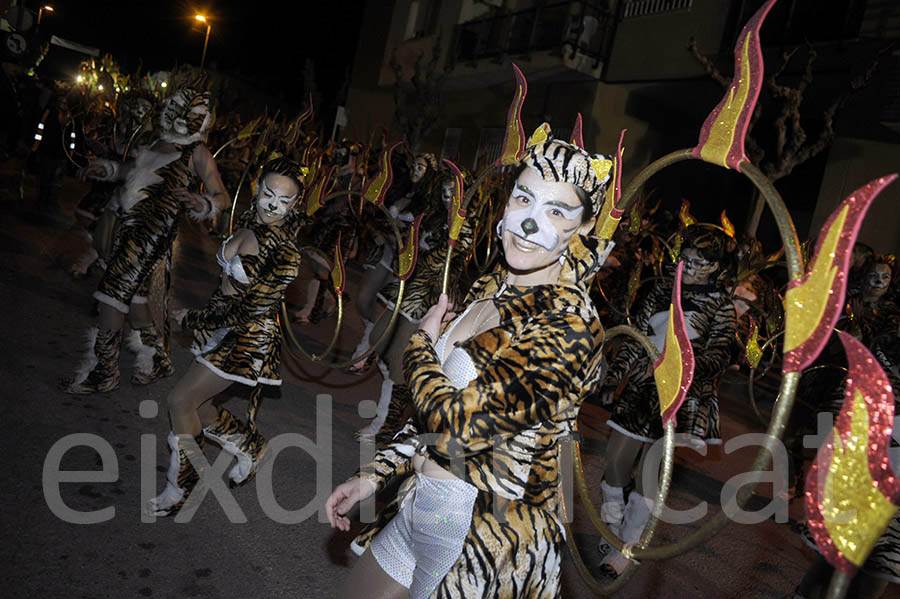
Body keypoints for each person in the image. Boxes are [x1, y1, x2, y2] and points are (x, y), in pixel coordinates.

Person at [326, 136, 611, 598]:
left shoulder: (568, 324)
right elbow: (426, 417)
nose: (530, 220)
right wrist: (374, 474)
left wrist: (419, 343)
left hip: (483, 538)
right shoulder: (493, 284)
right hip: (420, 503)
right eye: (523, 197)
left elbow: (456, 424)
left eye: (557, 211)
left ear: (583, 228)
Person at [147, 157, 306, 516]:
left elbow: (250, 307)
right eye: (268, 193)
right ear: (256, 188)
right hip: (220, 329)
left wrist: (196, 317)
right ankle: (250, 445)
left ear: (296, 205)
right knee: (201, 410)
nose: (273, 205)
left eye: (284, 200)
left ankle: (181, 486)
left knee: (180, 401)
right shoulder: (249, 222)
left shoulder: (285, 253)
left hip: (247, 339)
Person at [59, 83, 229, 393]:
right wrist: (108, 169)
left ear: (202, 121)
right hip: (126, 225)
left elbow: (222, 195)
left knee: (112, 293)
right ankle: (158, 357)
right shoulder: (155, 141)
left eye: (192, 114)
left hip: (152, 233)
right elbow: (133, 171)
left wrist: (200, 202)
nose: (182, 118)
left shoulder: (198, 152)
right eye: (178, 109)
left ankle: (104, 371)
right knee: (135, 300)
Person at [597, 225, 737, 576]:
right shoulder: (660, 290)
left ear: (716, 267)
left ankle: (626, 547)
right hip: (642, 387)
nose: (688, 266)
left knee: (650, 470)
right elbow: (637, 338)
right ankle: (611, 523)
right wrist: (614, 378)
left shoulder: (721, 305)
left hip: (681, 395)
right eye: (685, 259)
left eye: (698, 262)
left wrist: (682, 367)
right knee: (615, 461)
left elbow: (719, 354)